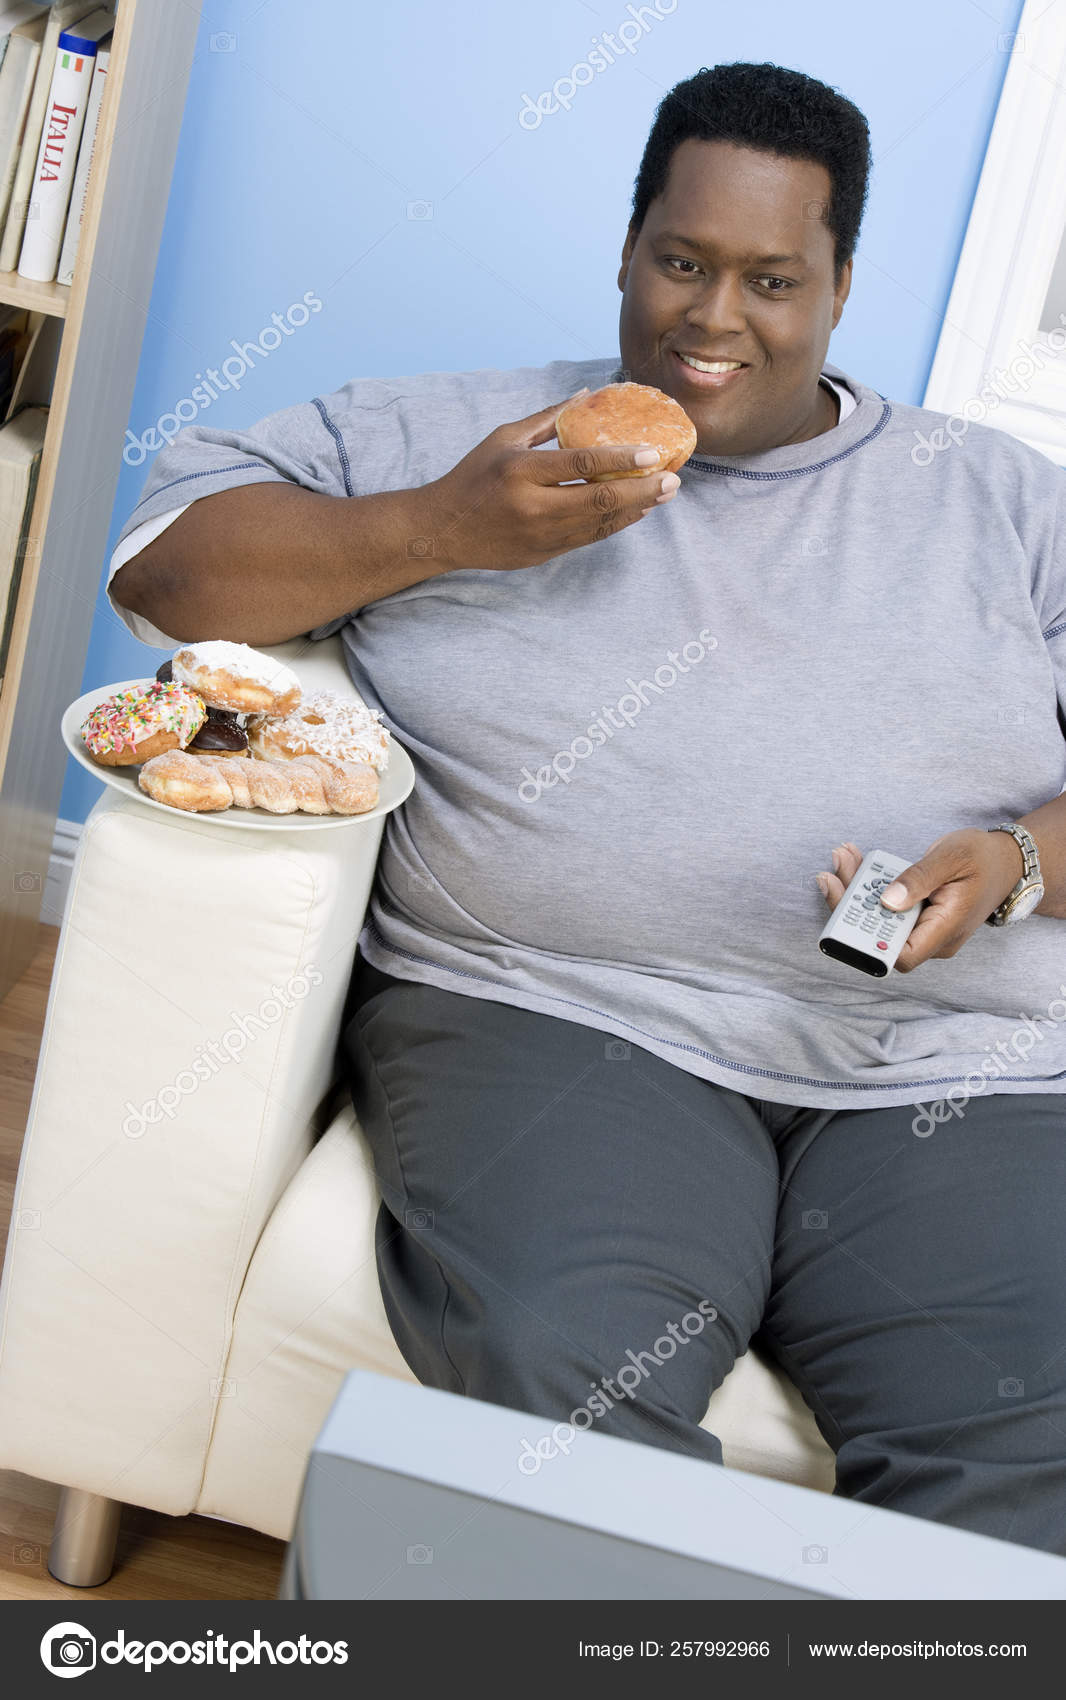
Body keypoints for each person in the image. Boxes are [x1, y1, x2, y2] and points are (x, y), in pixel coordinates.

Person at [108, 63, 1066, 1558]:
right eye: (681, 263)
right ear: (626, 247)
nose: (711, 318)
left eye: (769, 279)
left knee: (1033, 1442)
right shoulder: (459, 431)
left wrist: (1016, 859)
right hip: (559, 1022)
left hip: (946, 1068)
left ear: (838, 286)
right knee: (558, 1386)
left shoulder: (1001, 502)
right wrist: (444, 527)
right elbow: (165, 574)